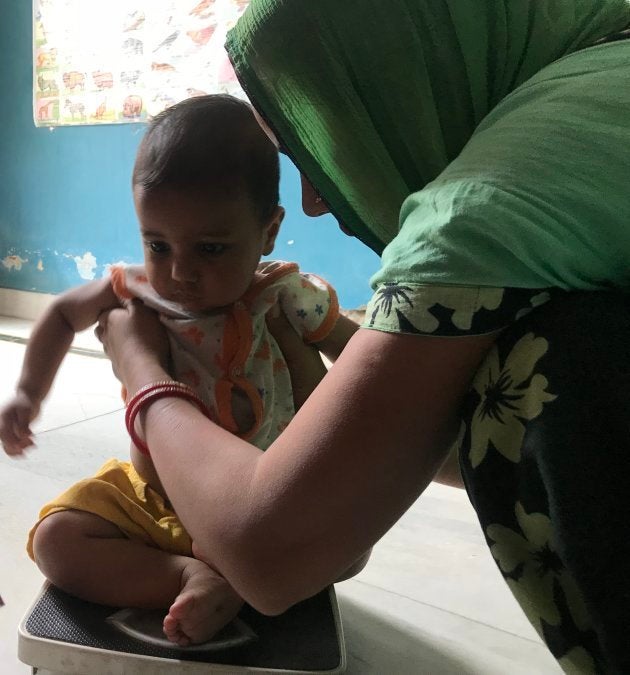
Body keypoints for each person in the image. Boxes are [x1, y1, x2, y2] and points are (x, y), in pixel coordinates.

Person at [33, 1, 630, 671]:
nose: (319, 199)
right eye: (157, 244)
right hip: (174, 495)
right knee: (59, 530)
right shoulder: (602, 72)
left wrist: (140, 366)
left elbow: (275, 549)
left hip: (240, 514)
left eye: (319, 136)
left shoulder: (485, 209)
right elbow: (437, 428)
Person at [0, 94, 359, 646]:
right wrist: (27, 393)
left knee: (349, 550)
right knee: (55, 539)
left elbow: (362, 357)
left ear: (267, 232)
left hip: (257, 507)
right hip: (155, 497)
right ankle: (192, 575)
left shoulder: (284, 295)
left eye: (211, 249)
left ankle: (239, 573)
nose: (179, 271)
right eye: (156, 243)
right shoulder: (136, 287)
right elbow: (62, 313)